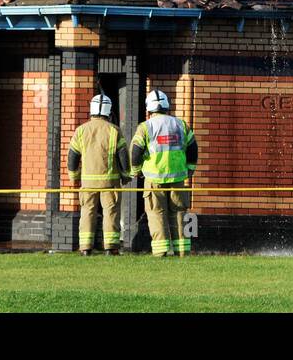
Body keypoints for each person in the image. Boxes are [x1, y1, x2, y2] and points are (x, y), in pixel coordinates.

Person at [129, 90, 199, 257]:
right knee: (179, 213)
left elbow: (136, 151)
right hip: (178, 178)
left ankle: (160, 252)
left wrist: (135, 171)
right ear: (168, 107)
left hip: (154, 180)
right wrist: (190, 169)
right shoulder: (181, 125)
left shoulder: (146, 127)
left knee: (156, 213)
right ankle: (183, 251)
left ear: (148, 109)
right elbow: (193, 148)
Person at [68, 94, 128, 255]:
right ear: (108, 111)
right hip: (110, 183)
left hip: (88, 184)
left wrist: (74, 176)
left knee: (87, 212)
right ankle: (111, 247)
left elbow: (72, 157)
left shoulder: (81, 131)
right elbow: (123, 156)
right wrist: (126, 175)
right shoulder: (114, 130)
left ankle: (86, 248)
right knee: (111, 213)